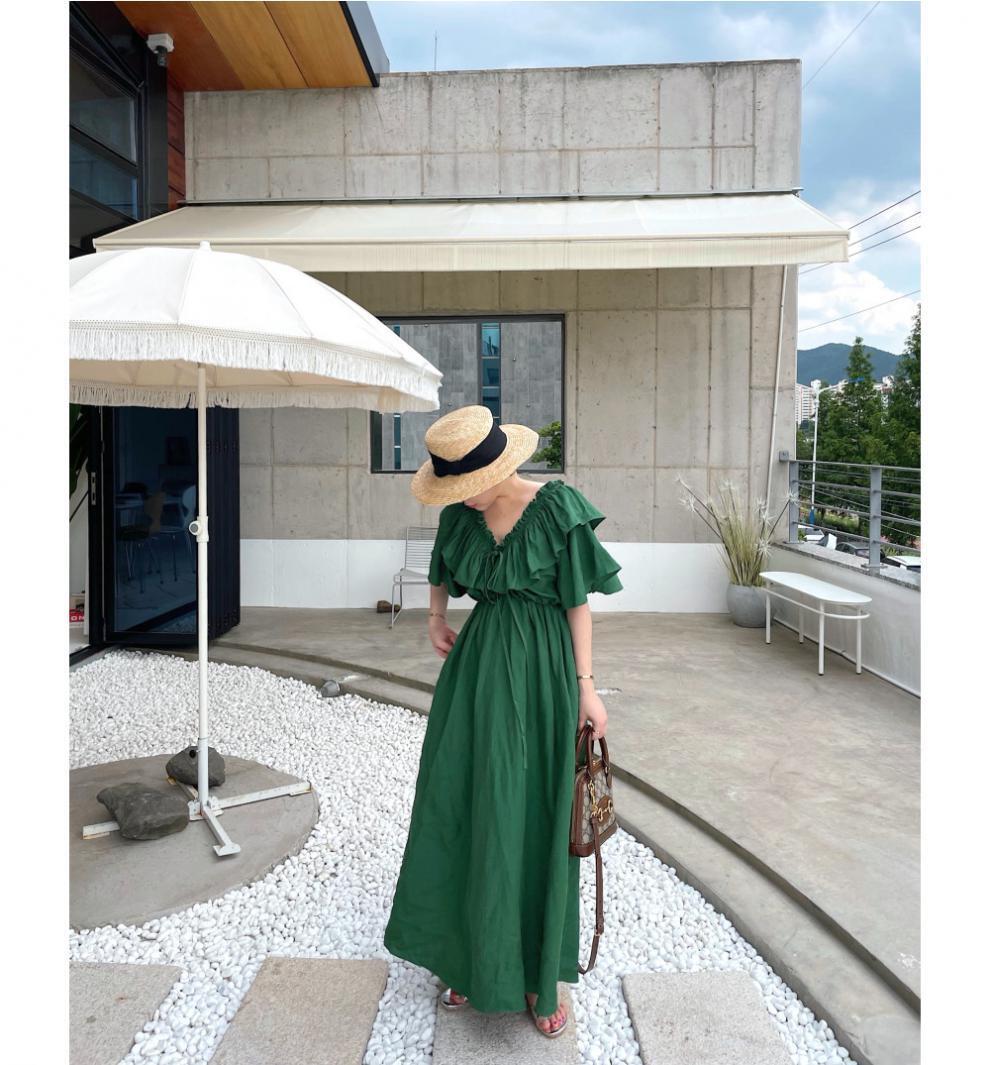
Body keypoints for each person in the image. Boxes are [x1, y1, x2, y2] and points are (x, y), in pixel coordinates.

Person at [383, 404, 623, 1039]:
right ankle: (469, 952)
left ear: (500, 467)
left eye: (471, 485)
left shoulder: (557, 509)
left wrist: (587, 689)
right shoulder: (459, 516)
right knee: (467, 802)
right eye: (454, 488)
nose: (463, 499)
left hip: (544, 674)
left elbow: (577, 604)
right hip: (478, 672)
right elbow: (441, 569)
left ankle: (540, 974)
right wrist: (435, 618)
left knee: (535, 811)